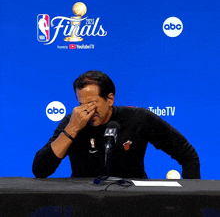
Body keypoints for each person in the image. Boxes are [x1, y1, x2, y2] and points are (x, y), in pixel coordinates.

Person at [32, 70, 201, 179]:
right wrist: (72, 129)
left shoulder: (138, 118)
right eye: (82, 104)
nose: (87, 110)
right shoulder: (74, 121)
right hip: (86, 204)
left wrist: (190, 201)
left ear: (110, 99)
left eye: (92, 103)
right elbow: (40, 170)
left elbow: (187, 155)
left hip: (133, 203)